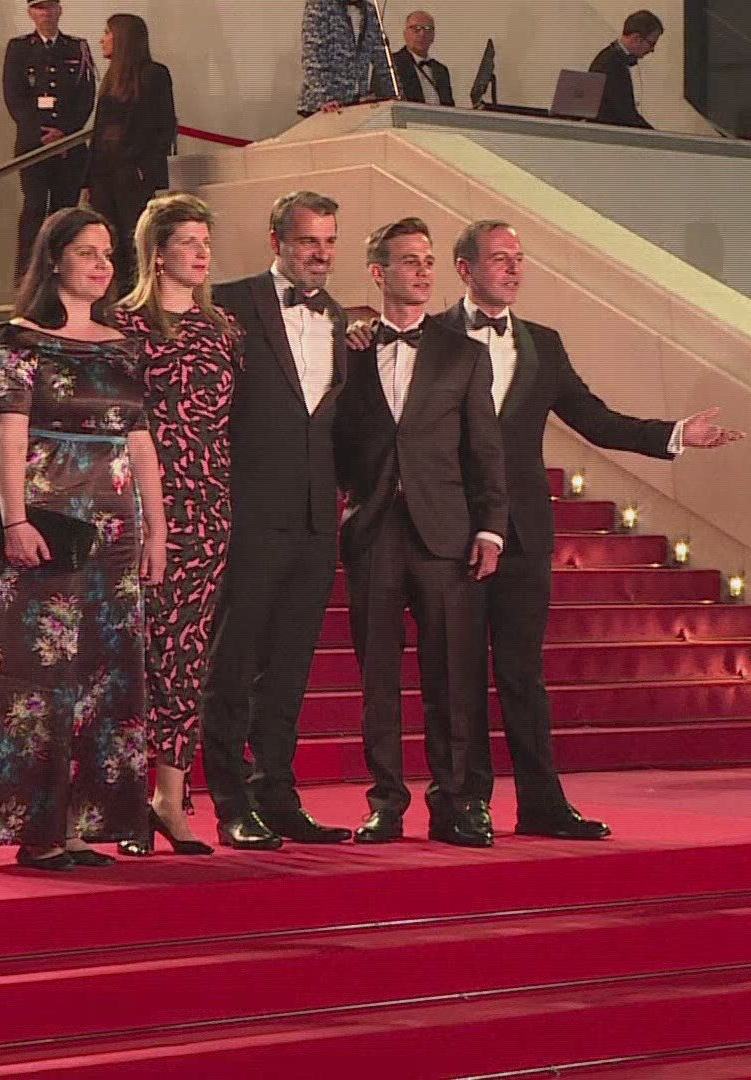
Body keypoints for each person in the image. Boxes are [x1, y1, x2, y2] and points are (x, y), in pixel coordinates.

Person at [430, 221, 742, 840]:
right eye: (499, 258)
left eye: (519, 259)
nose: (513, 269)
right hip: (451, 529)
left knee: (522, 673)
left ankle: (542, 804)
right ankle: (464, 802)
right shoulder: (431, 337)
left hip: (524, 532)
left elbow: (594, 419)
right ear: (464, 268)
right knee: (457, 674)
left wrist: (675, 434)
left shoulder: (543, 344)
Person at [0, 206, 167, 871]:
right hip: (47, 526)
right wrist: (15, 520)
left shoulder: (122, 345)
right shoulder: (19, 340)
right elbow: (8, 439)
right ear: (54, 259)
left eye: (108, 253)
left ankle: (82, 825)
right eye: (87, 251)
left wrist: (156, 531)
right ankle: (38, 829)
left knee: (104, 676)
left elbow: (141, 446)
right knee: (40, 676)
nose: (102, 264)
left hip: (115, 533)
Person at [336, 217, 508, 847]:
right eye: (409, 260)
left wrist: (490, 529)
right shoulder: (347, 353)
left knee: (454, 676)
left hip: (447, 533)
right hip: (373, 529)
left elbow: (484, 451)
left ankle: (457, 802)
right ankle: (385, 801)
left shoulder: (464, 354)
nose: (423, 271)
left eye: (428, 260)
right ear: (378, 273)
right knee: (377, 679)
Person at [201, 191, 354, 850]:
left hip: (318, 518)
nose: (320, 253)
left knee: (290, 666)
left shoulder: (340, 318)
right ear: (277, 242)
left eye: (329, 240)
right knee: (233, 662)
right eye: (307, 240)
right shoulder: (229, 305)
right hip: (249, 510)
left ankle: (277, 793)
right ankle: (229, 799)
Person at [107, 194, 238, 858]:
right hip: (140, 509)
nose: (201, 252)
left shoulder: (223, 329)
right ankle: (122, 800)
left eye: (205, 241)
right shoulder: (123, 326)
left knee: (186, 654)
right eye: (188, 240)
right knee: (136, 653)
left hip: (210, 511)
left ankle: (171, 797)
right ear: (157, 252)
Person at [4, 0, 95, 278]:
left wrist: (64, 133)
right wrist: (40, 135)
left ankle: (66, 277)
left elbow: (86, 96)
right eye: (39, 8)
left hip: (69, 145)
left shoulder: (77, 47)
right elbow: (14, 96)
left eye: (50, 7)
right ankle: (26, 280)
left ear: (59, 10)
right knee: (33, 210)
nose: (45, 13)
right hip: (33, 145)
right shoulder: (19, 48)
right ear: (30, 12)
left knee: (65, 212)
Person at [87, 13, 173, 298]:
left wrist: (141, 167)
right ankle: (115, 298)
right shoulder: (111, 79)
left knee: (134, 238)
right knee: (109, 240)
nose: (102, 40)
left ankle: (142, 297)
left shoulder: (154, 75)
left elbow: (163, 126)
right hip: (105, 174)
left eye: (107, 33)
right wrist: (89, 179)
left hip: (132, 173)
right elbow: (99, 132)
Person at [298, 0, 387, 117]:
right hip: (323, 105)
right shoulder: (319, 5)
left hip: (357, 103)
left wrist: (397, 97)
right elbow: (312, 56)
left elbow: (382, 59)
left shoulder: (370, 11)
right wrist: (326, 98)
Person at [589, 9, 659, 130]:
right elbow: (625, 114)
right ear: (636, 38)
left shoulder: (611, 57)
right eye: (651, 43)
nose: (652, 50)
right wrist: (654, 135)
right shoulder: (610, 64)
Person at [373, 9, 451, 106]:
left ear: (433, 36)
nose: (422, 34)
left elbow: (449, 107)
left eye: (428, 29)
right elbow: (382, 104)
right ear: (405, 34)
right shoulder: (389, 64)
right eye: (416, 29)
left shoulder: (441, 70)